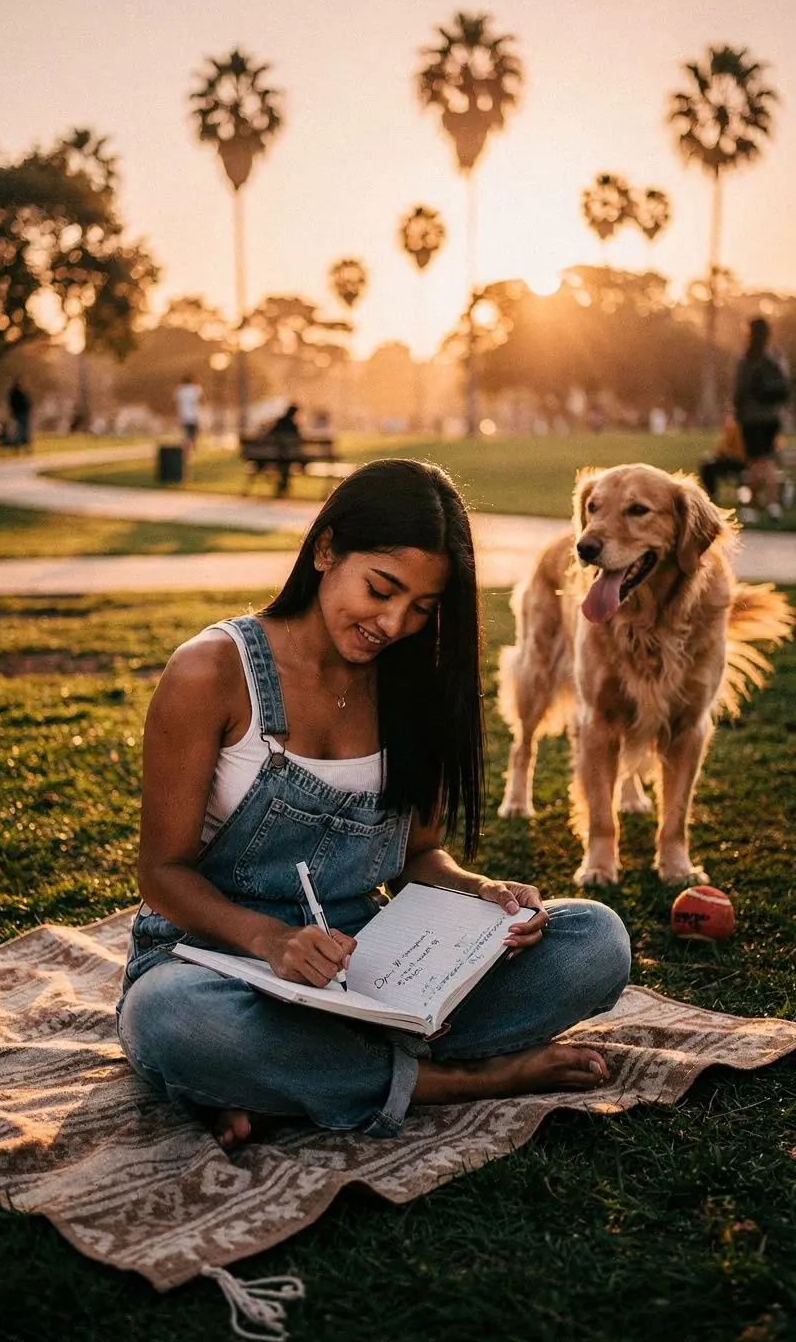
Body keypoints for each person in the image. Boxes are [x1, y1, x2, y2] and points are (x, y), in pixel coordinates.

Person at [116, 460, 631, 1148]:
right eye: (381, 589)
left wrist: (485, 896)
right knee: (171, 1022)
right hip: (212, 963)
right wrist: (271, 940)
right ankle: (467, 1080)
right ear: (326, 549)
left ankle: (295, 1084)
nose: (393, 623)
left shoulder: (415, 686)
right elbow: (162, 873)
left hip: (369, 972)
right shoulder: (210, 672)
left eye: (422, 608)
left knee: (596, 942)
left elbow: (418, 856)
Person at [733, 318, 790, 521]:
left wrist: (737, 412)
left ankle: (754, 505)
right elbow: (785, 387)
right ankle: (773, 504)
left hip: (751, 418)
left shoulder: (746, 360)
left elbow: (739, 392)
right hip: (771, 418)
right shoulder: (774, 357)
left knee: (755, 463)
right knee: (767, 461)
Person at [698, 416, 745, 502]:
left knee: (707, 467)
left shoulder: (734, 425)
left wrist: (718, 455)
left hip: (738, 462)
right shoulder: (740, 424)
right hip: (741, 460)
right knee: (708, 464)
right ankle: (712, 495)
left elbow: (725, 449)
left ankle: (712, 496)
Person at [265, 402, 302, 496]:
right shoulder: (293, 426)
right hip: (286, 456)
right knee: (286, 461)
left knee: (284, 461)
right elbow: (298, 440)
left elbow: (269, 435)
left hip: (274, 455)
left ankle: (282, 486)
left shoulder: (279, 422)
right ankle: (283, 485)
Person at [175, 374, 203, 452]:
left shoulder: (180, 391)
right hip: (193, 414)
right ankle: (191, 446)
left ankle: (187, 446)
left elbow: (177, 400)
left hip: (183, 415)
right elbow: (200, 392)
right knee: (193, 432)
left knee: (187, 432)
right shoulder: (194, 389)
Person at [7, 378, 33, 452]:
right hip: (20, 413)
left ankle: (22, 445)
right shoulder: (17, 393)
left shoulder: (18, 392)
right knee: (21, 430)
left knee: (22, 429)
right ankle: (20, 444)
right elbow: (19, 403)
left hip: (21, 413)